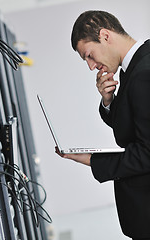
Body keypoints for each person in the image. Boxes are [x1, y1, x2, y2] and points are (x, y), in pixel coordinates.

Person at [55, 10, 150, 240]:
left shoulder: (143, 74)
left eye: (89, 55)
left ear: (105, 36)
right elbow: (131, 129)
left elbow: (147, 153)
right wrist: (109, 101)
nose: (90, 66)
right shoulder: (135, 67)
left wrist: (91, 160)